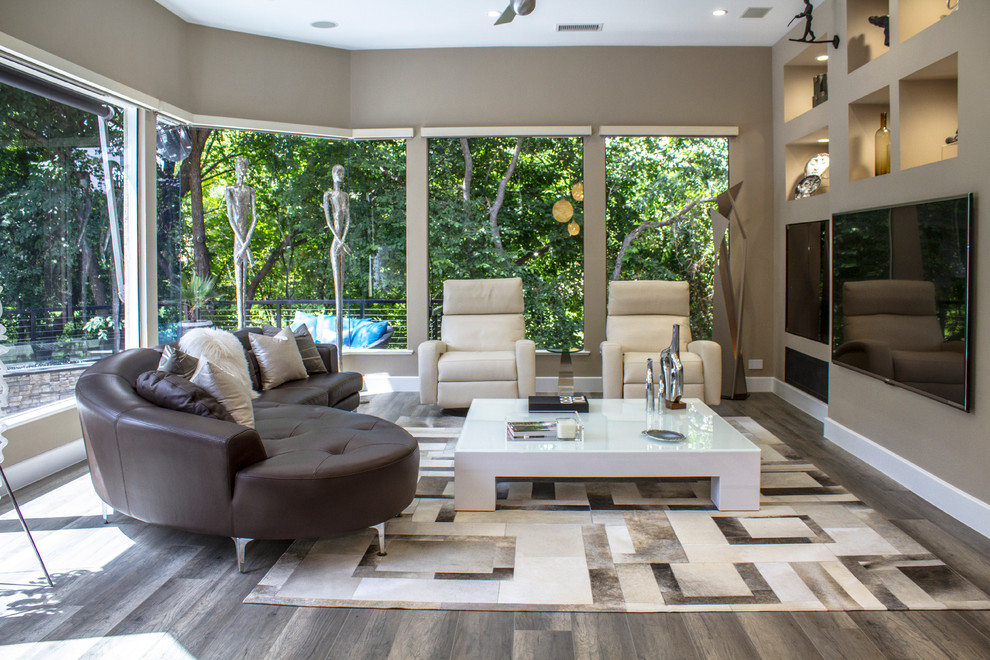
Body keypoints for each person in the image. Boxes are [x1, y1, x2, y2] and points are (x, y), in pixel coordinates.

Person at [323, 164, 351, 371]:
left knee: (341, 296)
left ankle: (341, 368)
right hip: (336, 244)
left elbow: (347, 219)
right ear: (333, 175)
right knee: (337, 295)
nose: (340, 176)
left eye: (342, 172)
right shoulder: (329, 195)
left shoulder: (346, 196)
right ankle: (338, 368)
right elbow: (329, 220)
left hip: (342, 242)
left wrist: (343, 240)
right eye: (337, 173)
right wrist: (339, 241)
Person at [224, 156, 257, 328]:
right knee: (239, 288)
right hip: (239, 242)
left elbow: (254, 219)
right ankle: (240, 327)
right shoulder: (229, 190)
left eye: (246, 165)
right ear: (236, 167)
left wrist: (247, 246)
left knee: (244, 287)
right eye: (241, 165)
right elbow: (231, 218)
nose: (243, 168)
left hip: (244, 241)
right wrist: (244, 246)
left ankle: (243, 328)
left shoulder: (250, 191)